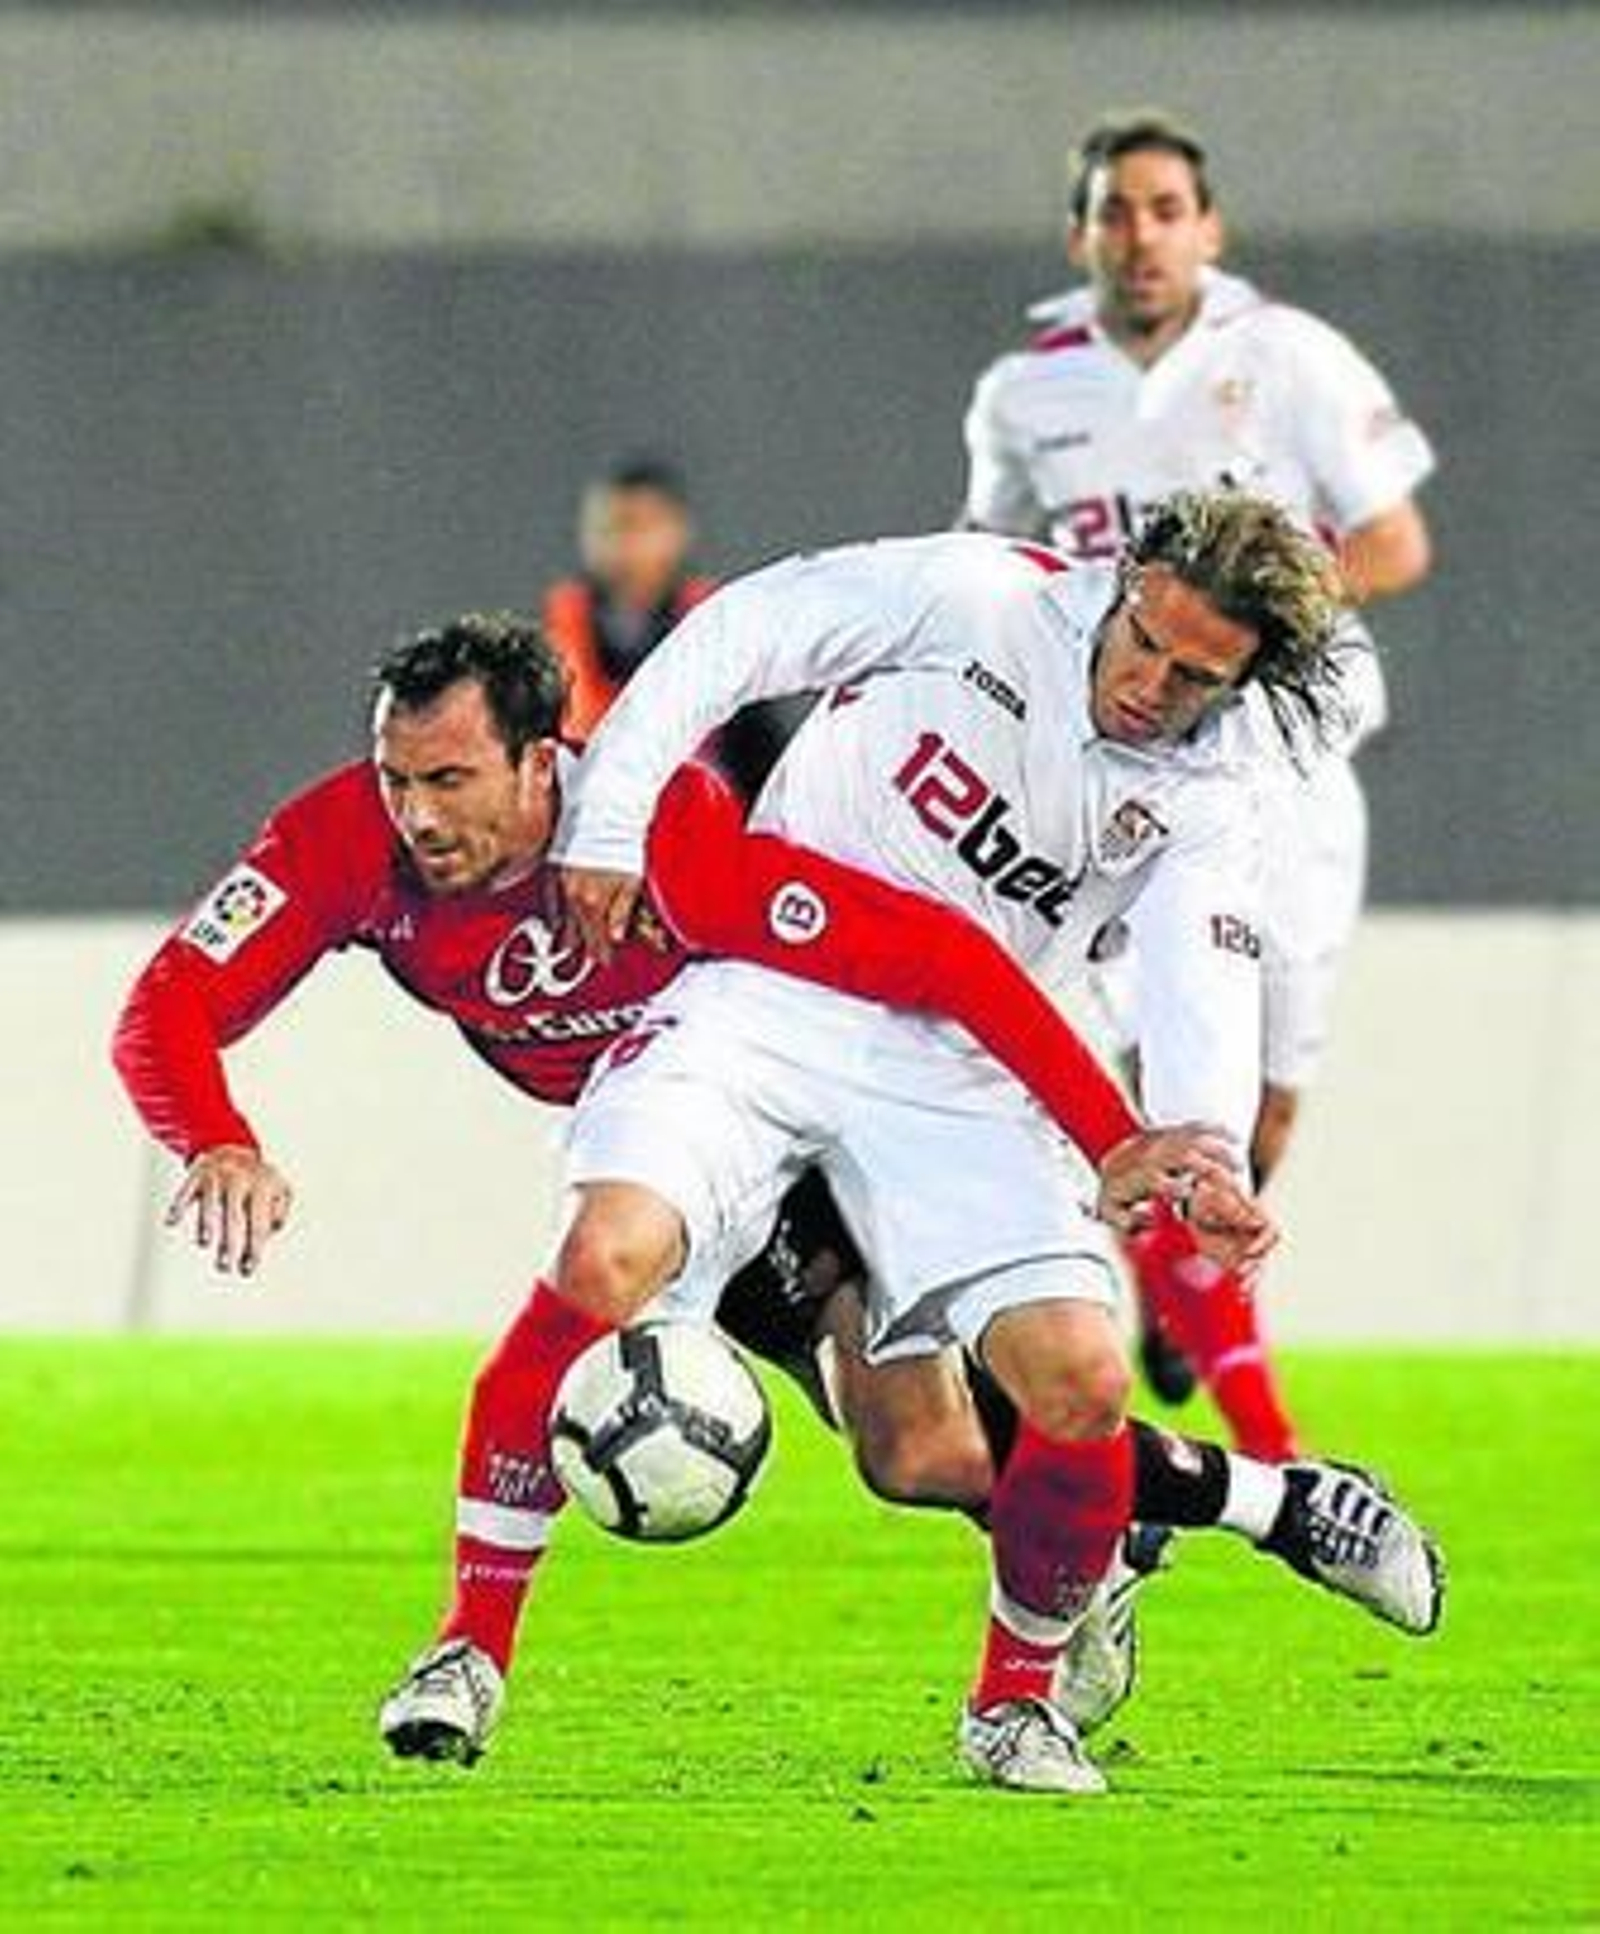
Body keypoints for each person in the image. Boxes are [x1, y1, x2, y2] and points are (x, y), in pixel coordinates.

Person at [110, 608, 1321, 1759]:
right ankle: (468, 1654)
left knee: (910, 1429)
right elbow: (166, 1005)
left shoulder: (670, 838)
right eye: (398, 778)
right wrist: (213, 1132)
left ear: (544, 765)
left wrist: (1111, 1133)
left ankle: (1218, 1506)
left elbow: (936, 954)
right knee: (915, 1454)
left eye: (450, 780)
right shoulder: (339, 843)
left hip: (796, 1117)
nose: (416, 816)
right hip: (661, 1147)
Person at [406, 490, 1442, 1797]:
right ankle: (466, 1652)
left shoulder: (1217, 791)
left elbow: (1202, 972)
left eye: (1194, 677)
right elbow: (748, 632)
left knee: (1047, 1395)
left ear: (1243, 681)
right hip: (763, 994)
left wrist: (1207, 1150)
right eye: (1144, 641)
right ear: (1121, 582)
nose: (1148, 684)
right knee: (608, 1253)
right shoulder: (980, 598)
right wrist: (610, 820)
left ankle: (1017, 1704)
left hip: (960, 1066)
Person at [960, 112, 1436, 1460]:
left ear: (1208, 229)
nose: (1142, 235)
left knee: (1269, 1094)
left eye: (1166, 209)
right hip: (1117, 780)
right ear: (1081, 235)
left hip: (1287, 773)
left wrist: (1254, 613)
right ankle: (1230, 1383)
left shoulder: (1286, 358)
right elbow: (996, 563)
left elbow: (1398, 534)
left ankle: (1185, 1277)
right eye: (1116, 211)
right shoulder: (1026, 391)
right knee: (1149, 1063)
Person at [541, 455, 794, 801]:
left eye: (641, 528)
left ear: (678, 532)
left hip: (696, 830)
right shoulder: (560, 635)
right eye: (609, 529)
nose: (624, 546)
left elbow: (762, 764)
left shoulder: (719, 631)